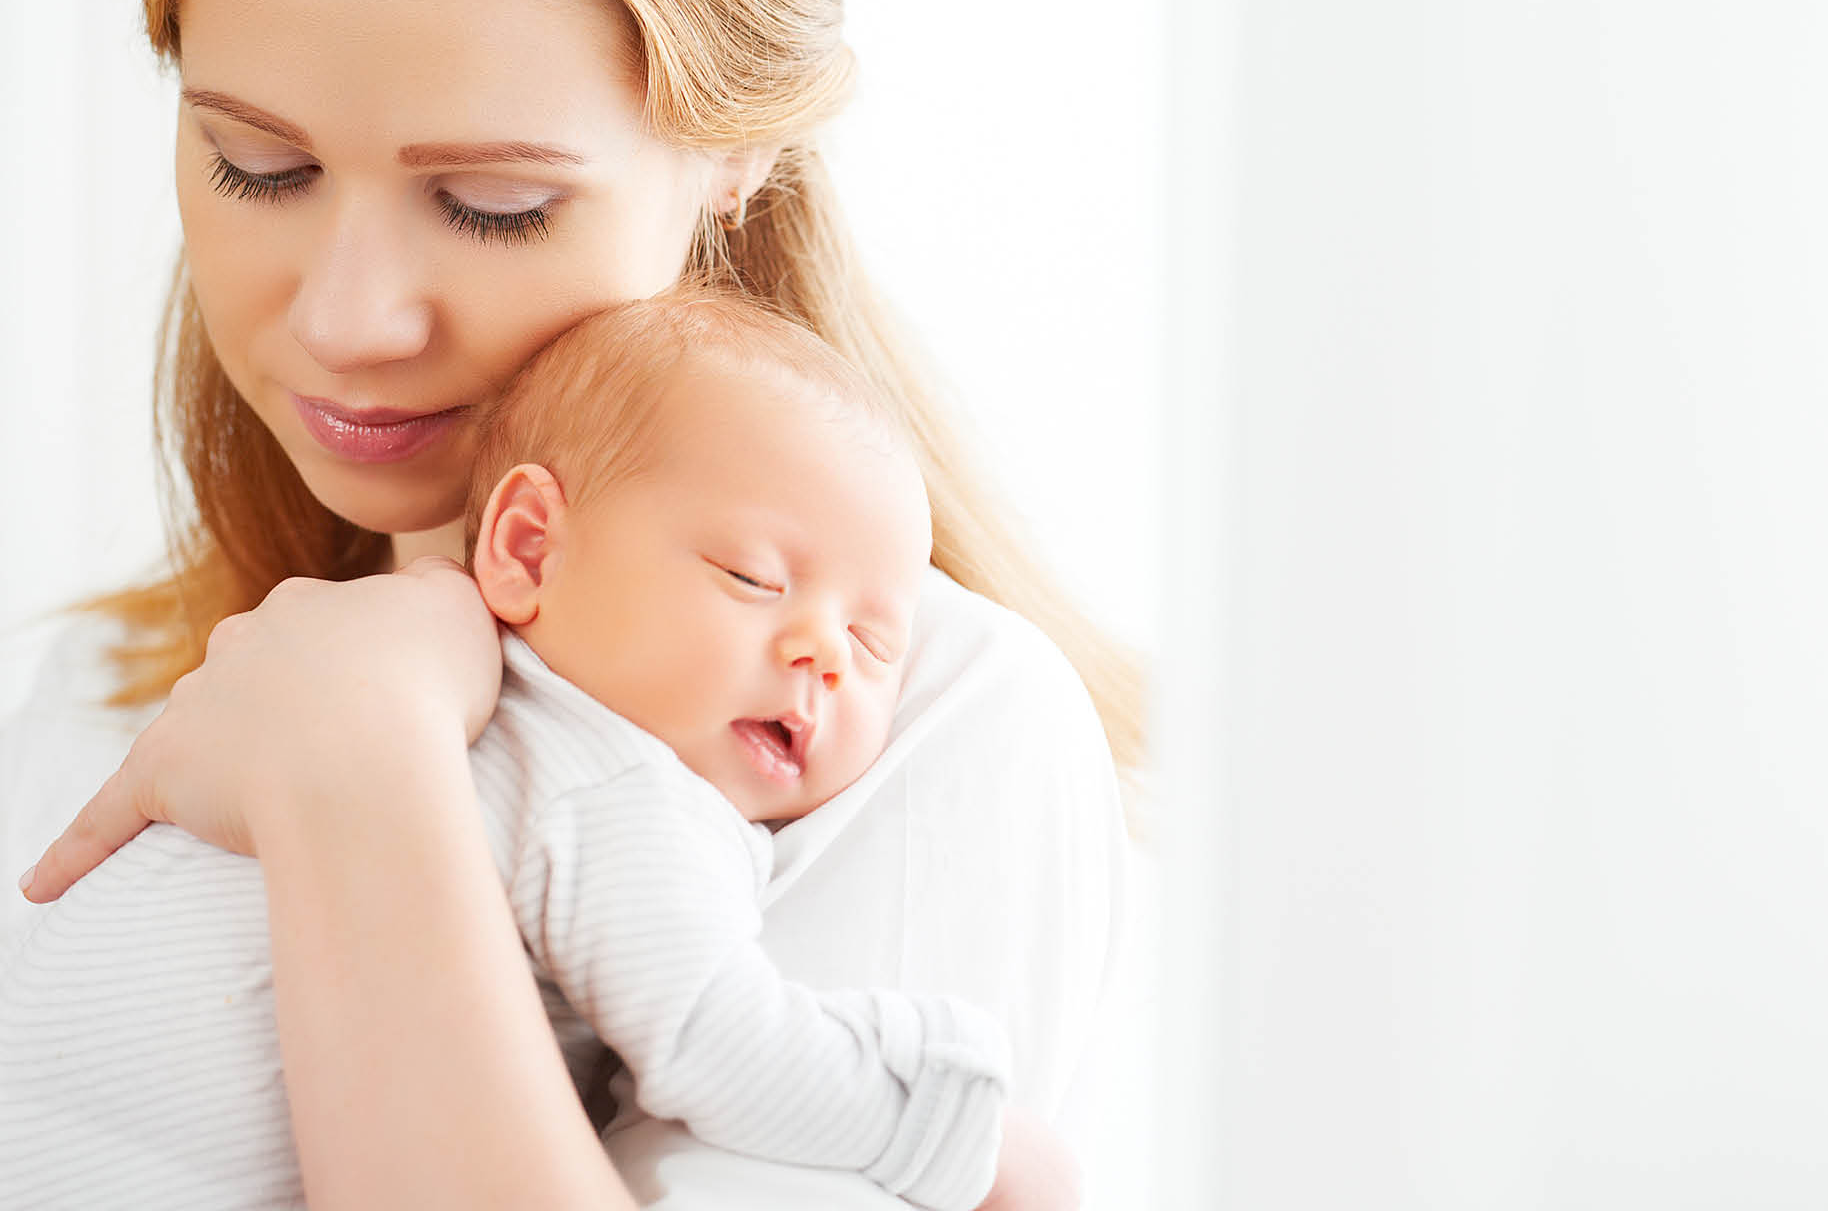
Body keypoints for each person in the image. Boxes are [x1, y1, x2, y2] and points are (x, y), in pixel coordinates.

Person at [0, 0, 1137, 1206]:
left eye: (494, 206)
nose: (347, 320)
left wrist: (363, 767)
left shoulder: (901, 739)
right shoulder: (115, 687)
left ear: (740, 153)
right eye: (256, 166)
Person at [1, 286, 1063, 1211]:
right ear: (527, 546)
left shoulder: (354, 685)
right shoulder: (613, 784)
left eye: (875, 644)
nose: (822, 656)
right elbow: (717, 1047)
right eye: (751, 578)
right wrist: (965, 1126)